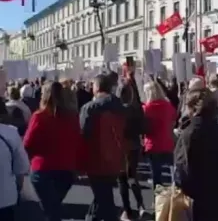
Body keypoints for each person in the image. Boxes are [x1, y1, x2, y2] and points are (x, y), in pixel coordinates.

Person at [23, 82, 82, 221]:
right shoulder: (72, 117)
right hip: (66, 169)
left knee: (51, 210)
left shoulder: (39, 116)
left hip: (43, 169)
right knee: (53, 208)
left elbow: (27, 143)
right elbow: (78, 142)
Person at [174, 88, 218, 221]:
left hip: (196, 194)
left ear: (192, 107)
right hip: (217, 190)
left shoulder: (189, 133)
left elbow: (182, 168)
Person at [79, 74, 127, 221]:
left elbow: (83, 134)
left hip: (95, 158)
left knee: (103, 197)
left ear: (97, 87)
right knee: (103, 194)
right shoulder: (121, 106)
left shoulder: (89, 108)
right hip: (116, 156)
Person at [117, 83, 147, 221]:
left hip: (121, 146)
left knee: (122, 179)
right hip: (134, 145)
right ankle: (141, 205)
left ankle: (127, 210)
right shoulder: (136, 109)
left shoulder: (117, 111)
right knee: (132, 176)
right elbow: (143, 126)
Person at [142, 81, 177, 189]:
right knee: (173, 173)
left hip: (153, 144)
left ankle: (159, 200)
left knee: (156, 175)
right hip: (167, 142)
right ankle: (174, 198)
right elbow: (174, 121)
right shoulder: (168, 106)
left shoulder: (146, 109)